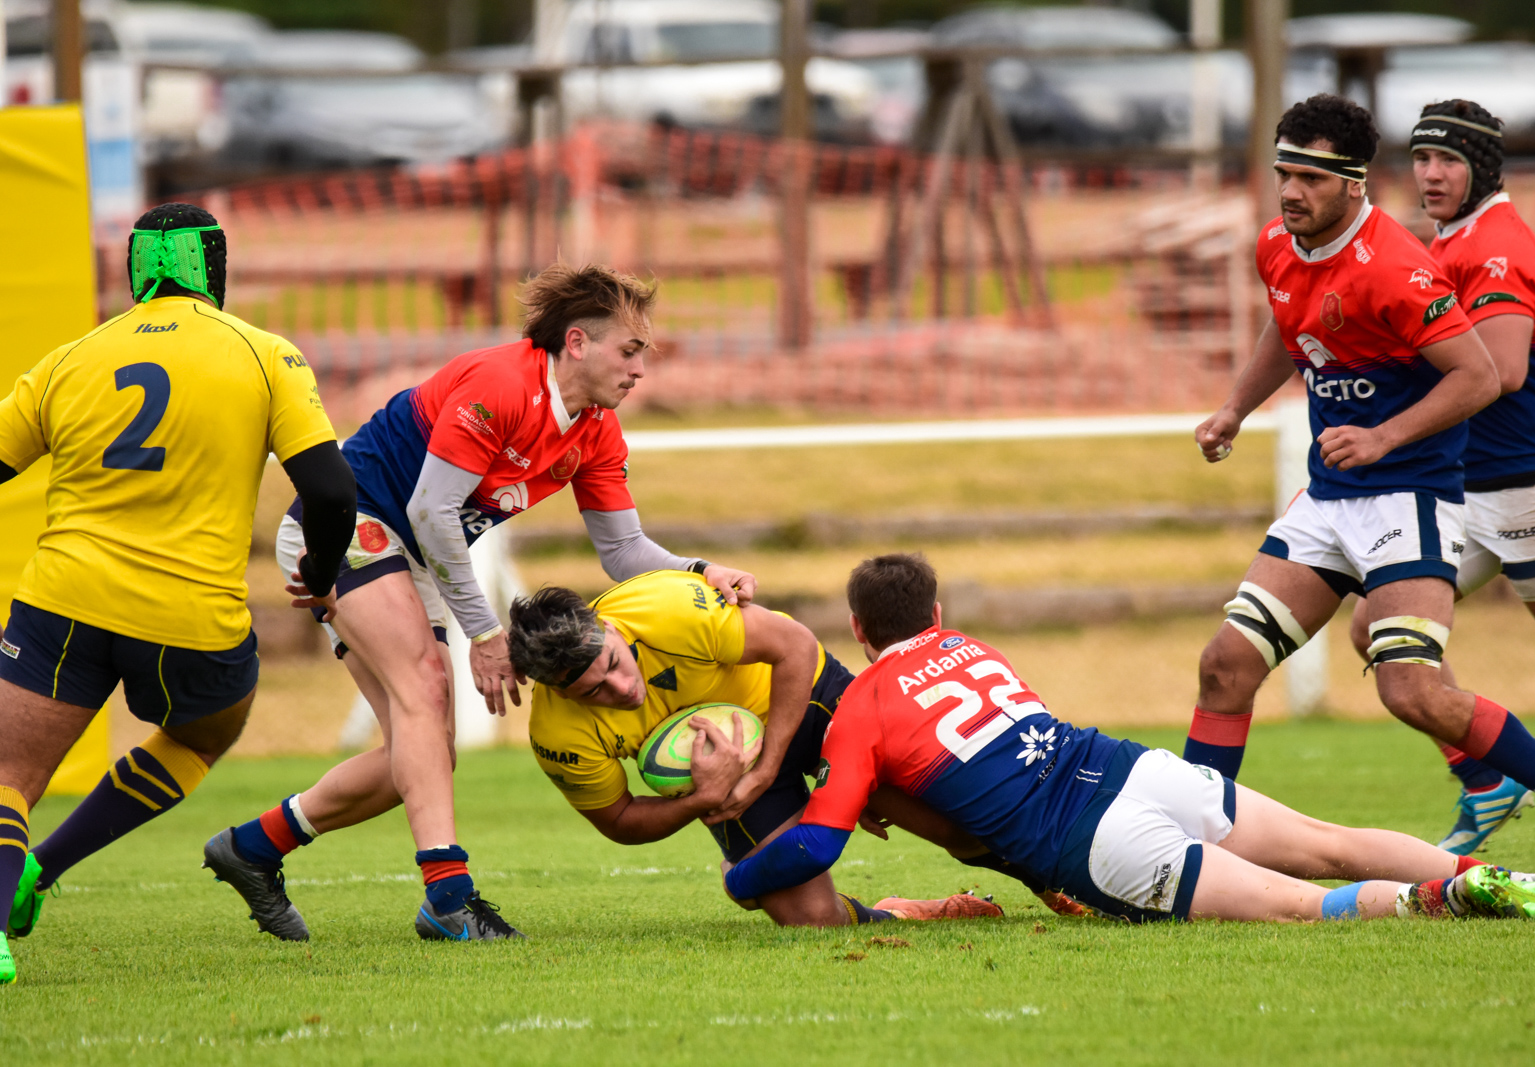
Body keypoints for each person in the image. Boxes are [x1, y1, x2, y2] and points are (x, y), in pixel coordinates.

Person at [204, 264, 757, 943]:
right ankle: (450, 900)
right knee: (426, 689)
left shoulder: (595, 429)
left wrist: (702, 569)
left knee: (425, 750)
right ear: (578, 342)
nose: (641, 369)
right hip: (353, 522)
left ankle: (253, 847)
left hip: (417, 552)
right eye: (631, 350)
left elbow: (623, 552)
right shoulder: (502, 385)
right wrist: (485, 632)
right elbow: (430, 511)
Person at [1185, 94, 1535, 881]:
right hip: (1329, 496)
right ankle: (1193, 847)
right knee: (1223, 667)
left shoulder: (1400, 267)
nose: (1289, 191)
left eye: (1308, 177)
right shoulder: (1278, 244)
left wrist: (1381, 436)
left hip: (1411, 500)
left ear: (1352, 185)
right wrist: (1236, 407)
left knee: (1411, 689)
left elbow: (1482, 374)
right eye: (1283, 173)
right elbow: (1287, 319)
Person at [722, 554, 1535, 924]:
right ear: (936, 616)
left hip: (1098, 843)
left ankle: (1444, 903)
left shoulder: (865, 699)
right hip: (1134, 766)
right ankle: (1494, 876)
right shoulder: (972, 649)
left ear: (862, 630)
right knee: (1331, 842)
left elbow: (816, 841)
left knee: (1299, 905)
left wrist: (741, 873)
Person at [0, 204, 357, 984]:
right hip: (191, 615)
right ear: (214, 271)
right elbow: (331, 493)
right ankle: (45, 868)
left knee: (7, 778)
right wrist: (322, 578)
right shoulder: (264, 355)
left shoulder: (72, 357)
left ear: (136, 272)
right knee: (201, 737)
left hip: (63, 598)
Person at [1340, 101, 1535, 855]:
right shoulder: (1450, 241)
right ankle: (1486, 776)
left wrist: (1390, 410)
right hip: (1471, 490)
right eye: (1420, 160)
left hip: (1534, 482)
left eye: (1447, 161)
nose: (1429, 175)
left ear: (1483, 167)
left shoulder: (1496, 248)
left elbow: (1502, 370)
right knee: (1376, 628)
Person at [510, 571, 1003, 927]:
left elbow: (797, 646)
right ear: (557, 689)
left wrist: (768, 768)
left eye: (614, 664)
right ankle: (898, 913)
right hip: (728, 782)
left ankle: (1054, 881)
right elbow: (618, 821)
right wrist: (703, 800)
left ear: (610, 628)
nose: (621, 689)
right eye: (593, 691)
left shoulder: (666, 608)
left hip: (800, 695)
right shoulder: (557, 734)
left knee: (949, 820)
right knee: (813, 919)